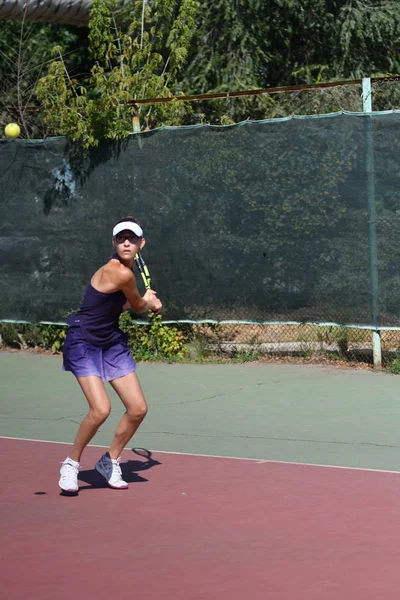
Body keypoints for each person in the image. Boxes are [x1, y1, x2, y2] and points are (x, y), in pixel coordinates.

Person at [59, 217, 162, 493]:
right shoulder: (119, 272)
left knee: (138, 408)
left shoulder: (125, 273)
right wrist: (150, 303)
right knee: (100, 409)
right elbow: (138, 304)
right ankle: (71, 464)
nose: (126, 243)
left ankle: (110, 460)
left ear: (141, 243)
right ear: (113, 242)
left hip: (110, 341)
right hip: (83, 341)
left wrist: (144, 304)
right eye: (120, 238)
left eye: (132, 238)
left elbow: (125, 304)